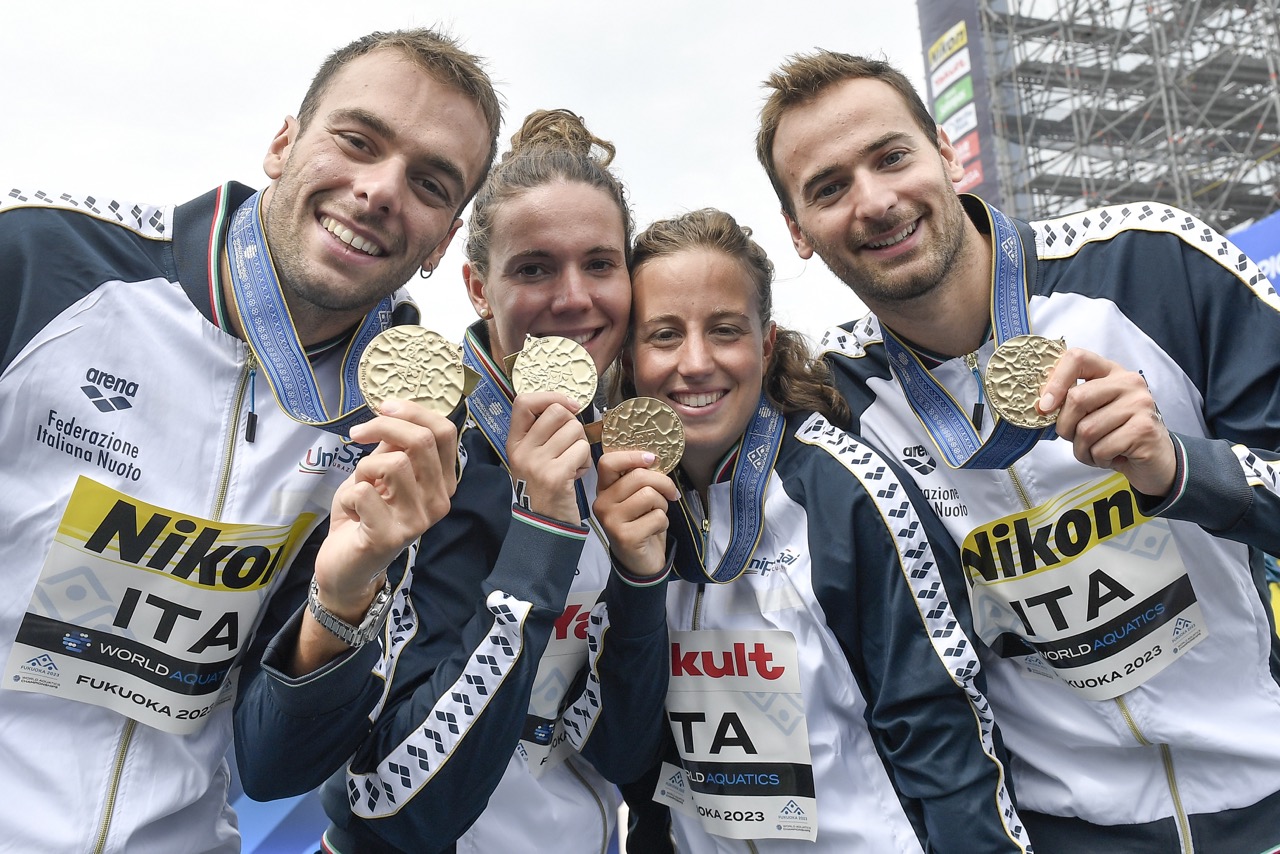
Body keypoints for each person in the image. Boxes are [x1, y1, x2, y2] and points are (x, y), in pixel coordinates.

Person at [756, 49, 1280, 852]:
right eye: (828, 188)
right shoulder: (835, 403)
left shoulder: (1151, 263)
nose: (875, 201)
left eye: (891, 156)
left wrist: (1180, 470)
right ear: (797, 231)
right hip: (1068, 832)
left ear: (945, 150)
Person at [0, 28, 500, 854]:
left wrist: (343, 599)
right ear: (283, 142)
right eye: (357, 140)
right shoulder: (43, 262)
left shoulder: (406, 429)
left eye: (429, 182)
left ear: (443, 242)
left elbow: (273, 768)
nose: (379, 190)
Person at [238, 109, 668, 854]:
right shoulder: (417, 451)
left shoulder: (622, 460)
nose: (574, 298)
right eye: (534, 268)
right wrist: (543, 530)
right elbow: (390, 804)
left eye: (600, 264)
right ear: (477, 285)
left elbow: (620, 756)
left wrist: (640, 585)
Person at [593, 207, 1030, 852]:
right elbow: (625, 760)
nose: (695, 362)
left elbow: (943, 733)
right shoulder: (614, 508)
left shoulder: (848, 490)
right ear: (630, 356)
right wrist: (636, 578)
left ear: (766, 344)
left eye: (725, 330)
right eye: (663, 335)